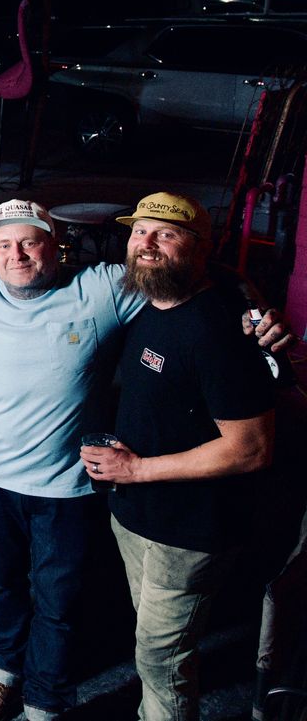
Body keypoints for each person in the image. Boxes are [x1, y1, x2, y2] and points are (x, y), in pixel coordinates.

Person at [0, 198, 293, 721]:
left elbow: (189, 275)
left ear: (54, 244)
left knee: (58, 598)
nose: (16, 255)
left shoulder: (104, 287)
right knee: (0, 585)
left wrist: (256, 311)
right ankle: (3, 673)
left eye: (29, 242)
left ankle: (46, 695)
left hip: (67, 485)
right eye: (3, 245)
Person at [83, 194, 276, 721]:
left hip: (187, 532)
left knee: (160, 659)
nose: (146, 244)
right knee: (152, 642)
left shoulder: (218, 331)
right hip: (137, 516)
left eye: (165, 234)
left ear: (200, 247)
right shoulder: (147, 300)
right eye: (139, 232)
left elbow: (252, 447)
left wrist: (137, 470)